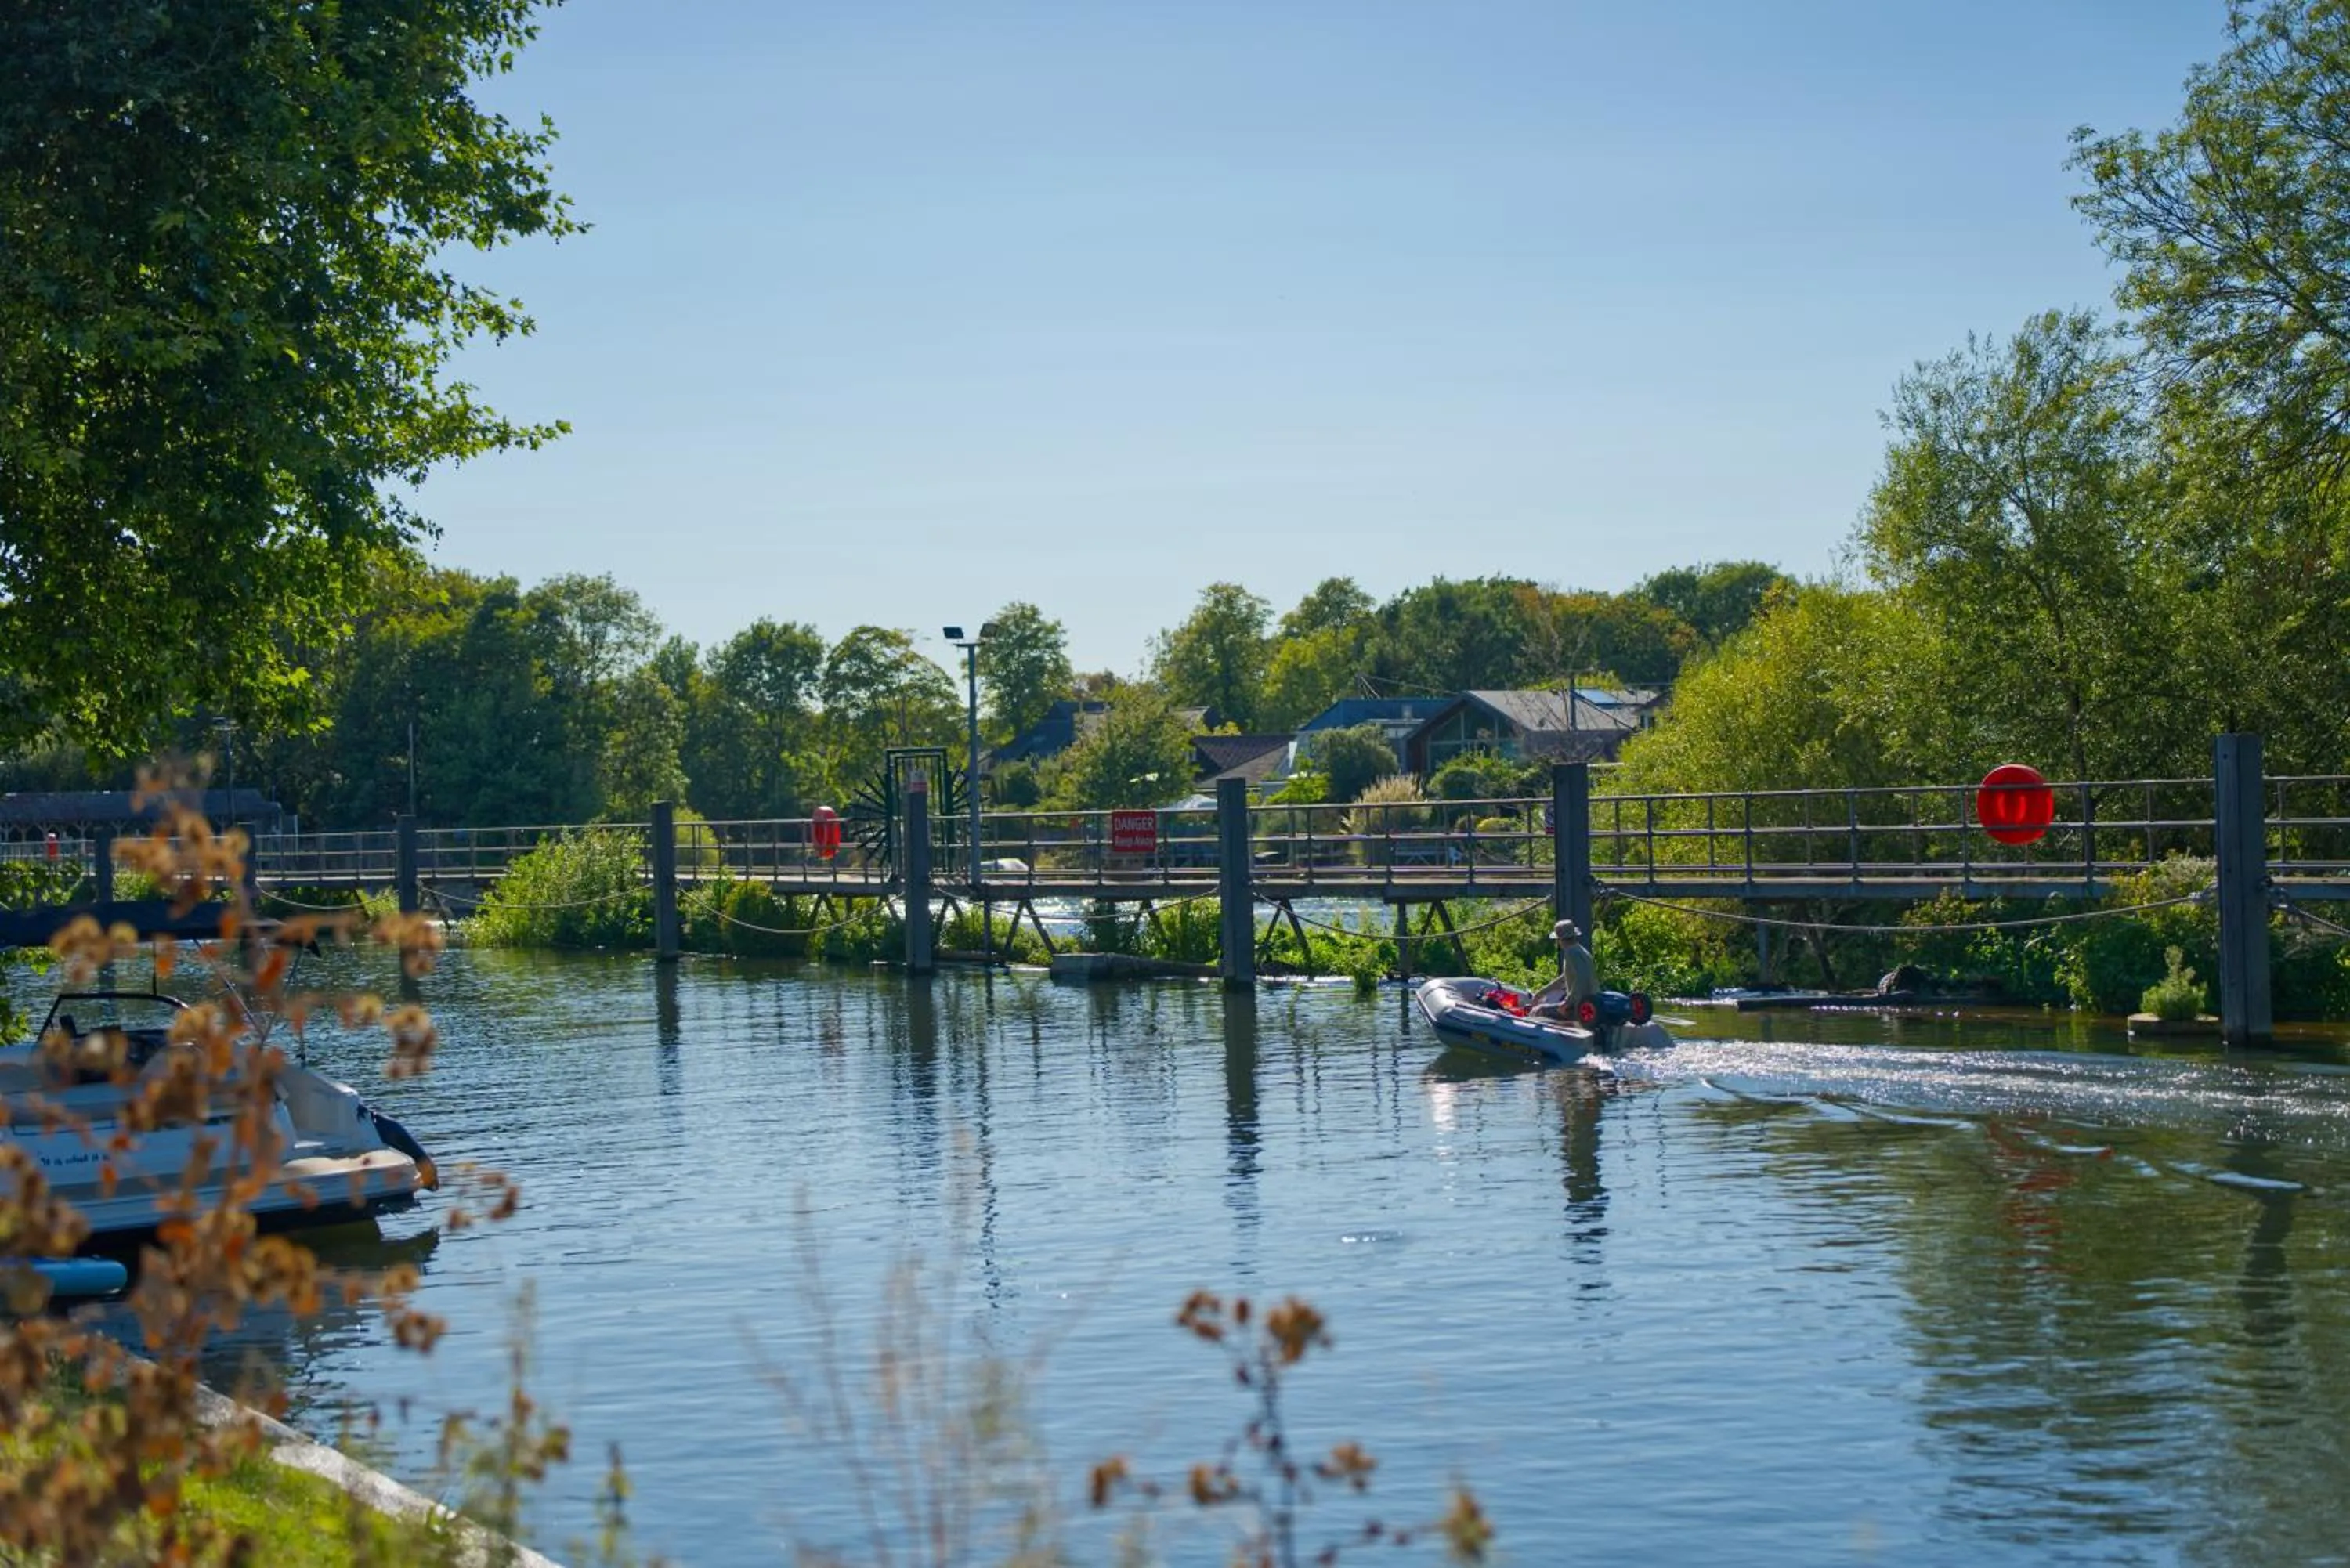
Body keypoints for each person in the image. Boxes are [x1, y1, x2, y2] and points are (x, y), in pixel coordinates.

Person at [1530, 919, 1598, 1021]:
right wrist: (1541, 993)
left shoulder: (1572, 953)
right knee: (1547, 1005)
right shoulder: (1580, 950)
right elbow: (1564, 979)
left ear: (1560, 940)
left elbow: (1581, 979)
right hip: (1590, 1003)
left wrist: (1567, 1002)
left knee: (1538, 1010)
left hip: (1582, 1007)